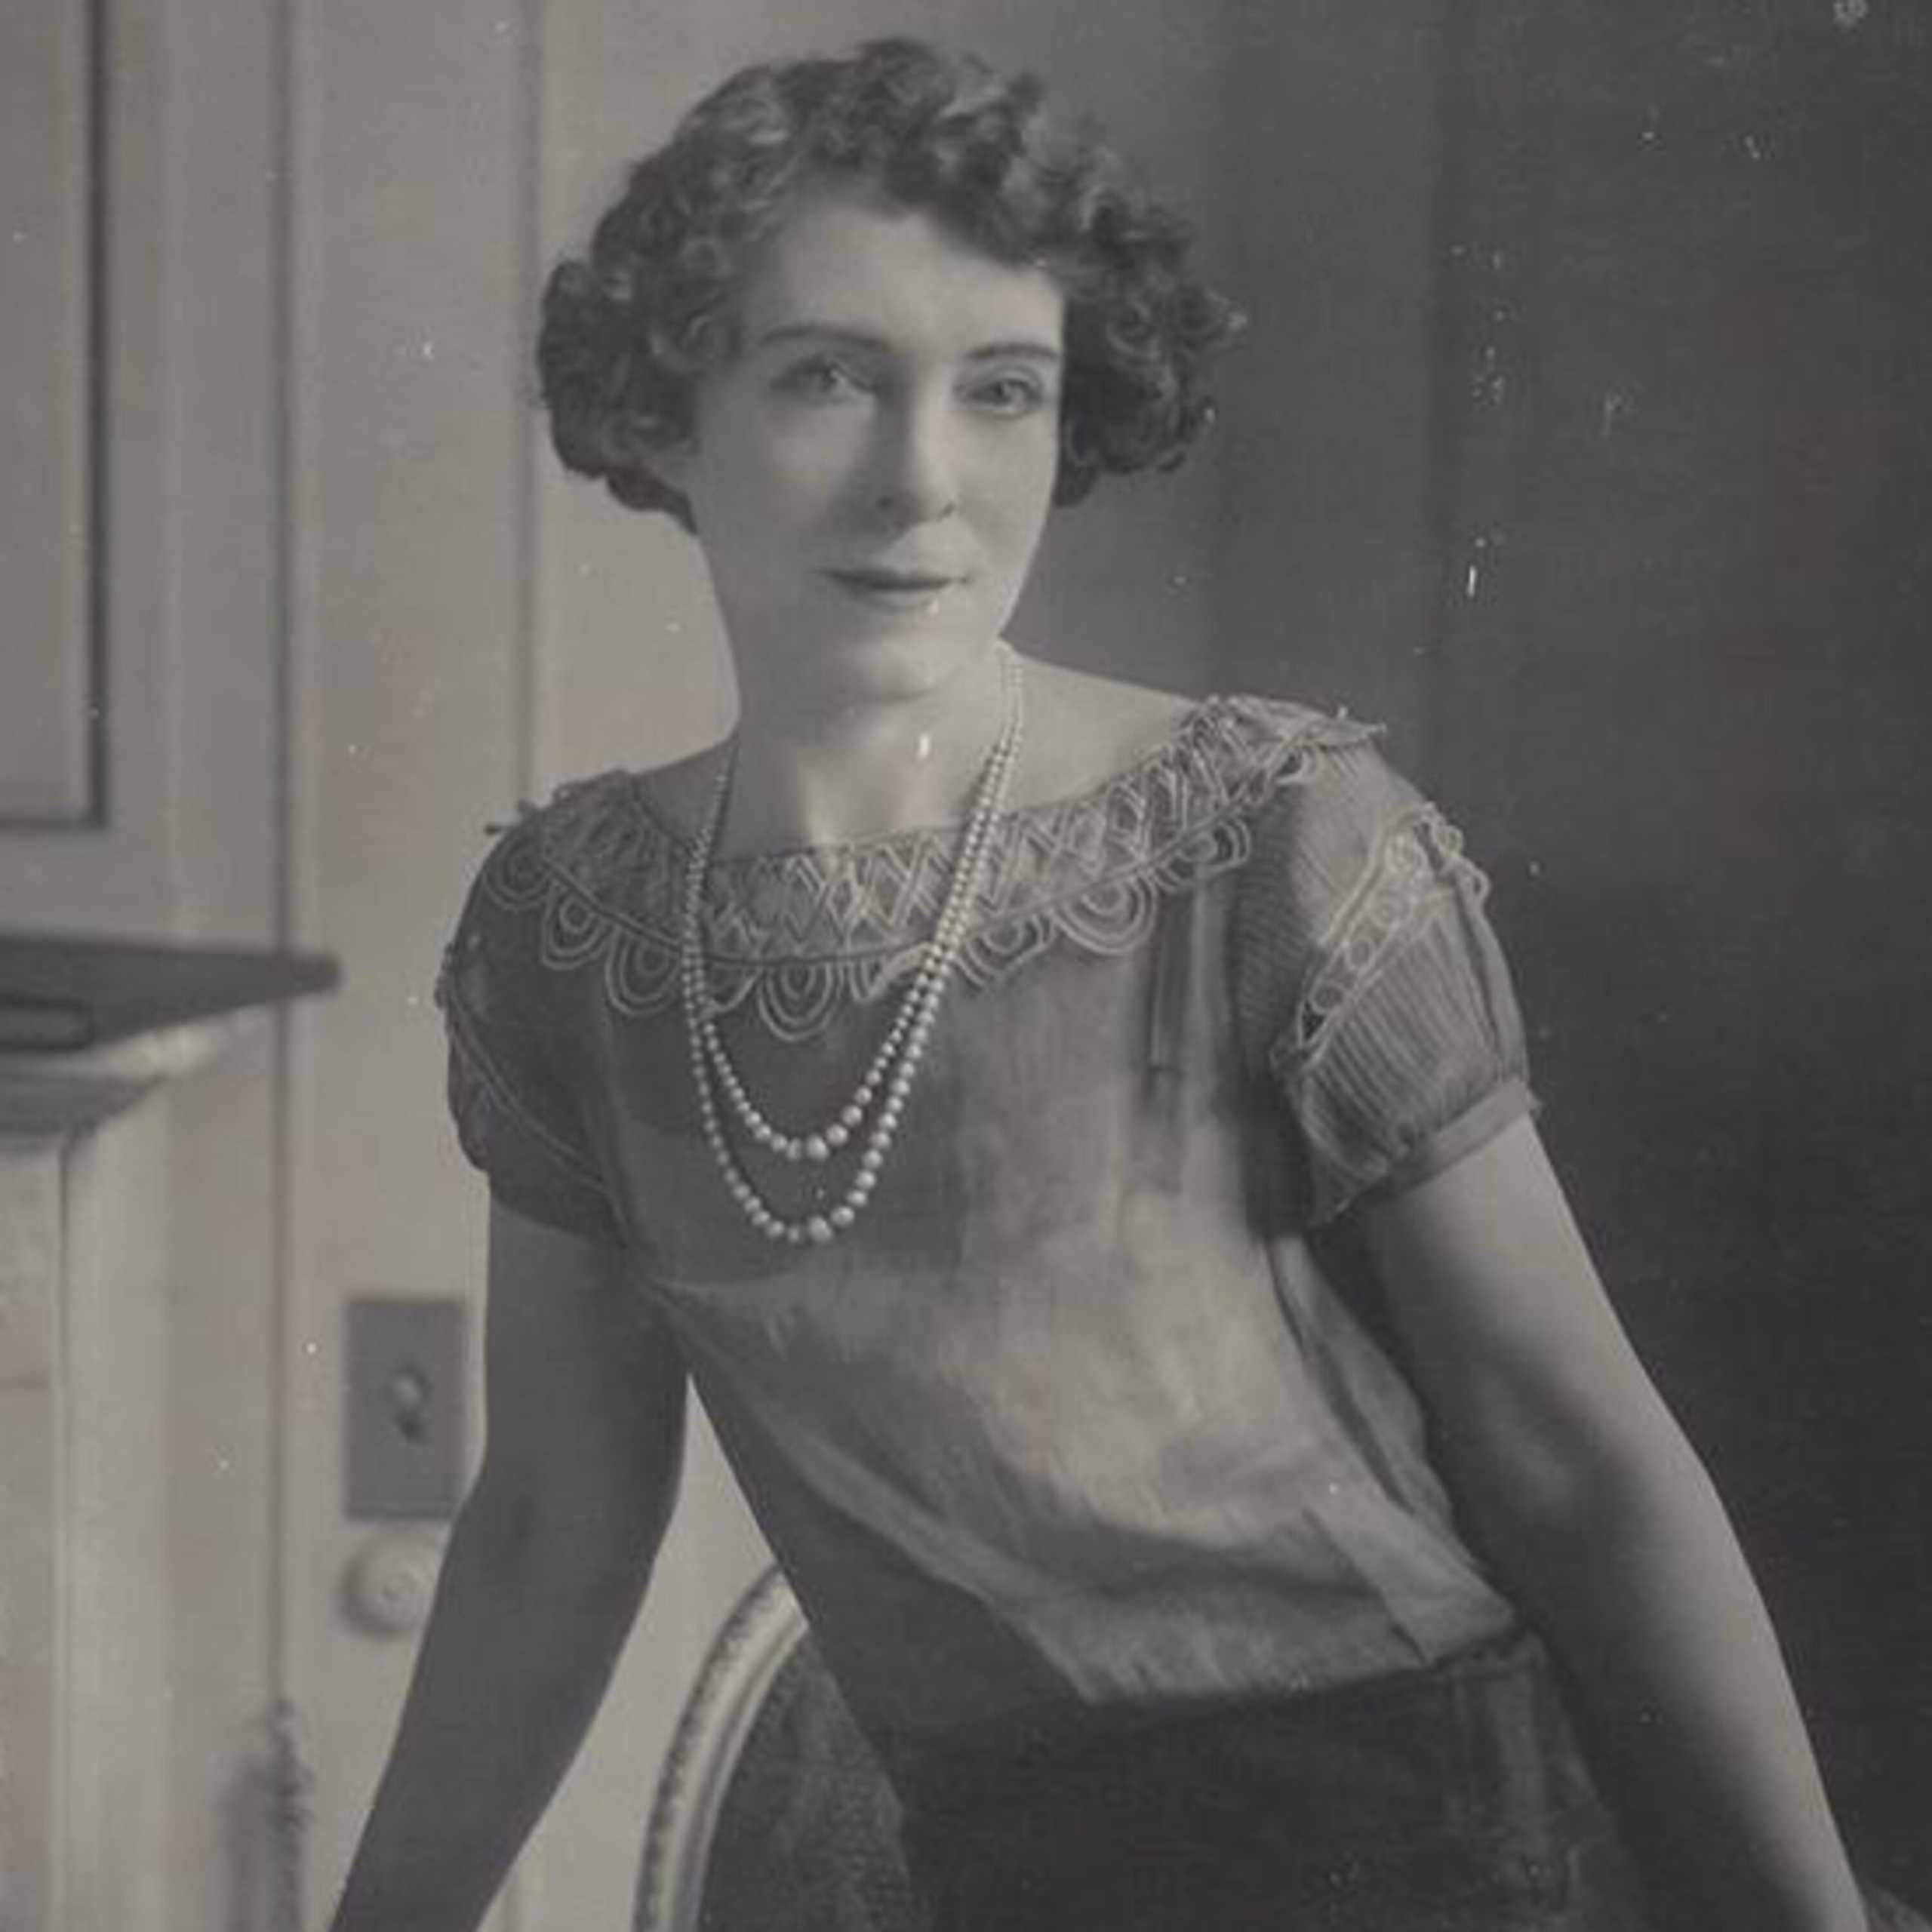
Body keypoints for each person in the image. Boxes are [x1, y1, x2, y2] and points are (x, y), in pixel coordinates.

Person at [330, 38, 1919, 1932]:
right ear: (665, 411)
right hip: (996, 1873)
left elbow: (1572, 1458)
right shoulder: (571, 935)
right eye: (828, 375)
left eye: (1000, 389)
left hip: (1431, 1844)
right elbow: (548, 1523)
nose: (922, 479)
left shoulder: (1260, 835)